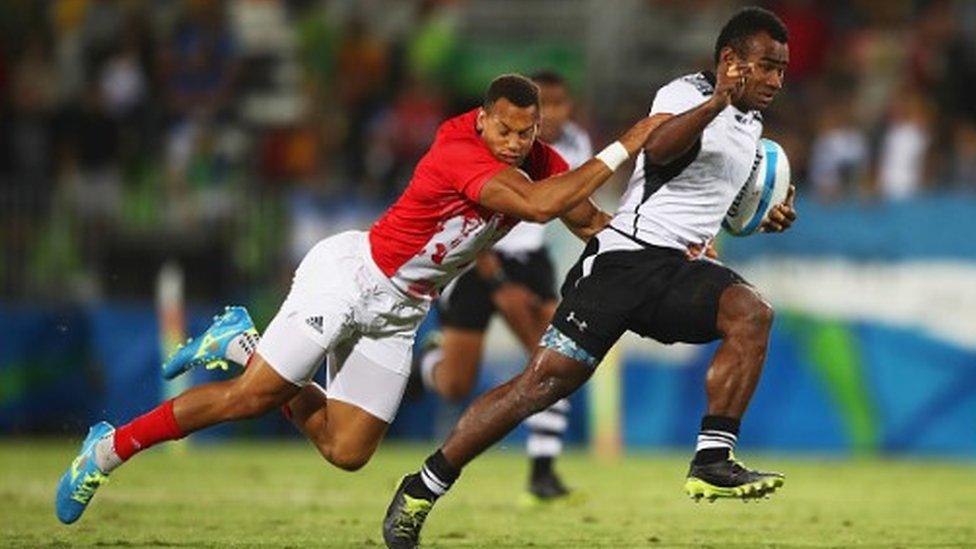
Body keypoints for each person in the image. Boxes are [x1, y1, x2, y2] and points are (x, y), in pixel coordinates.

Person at [55, 73, 661, 525]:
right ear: (481, 118)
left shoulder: (534, 156)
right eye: (503, 129)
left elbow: (584, 217)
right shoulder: (457, 151)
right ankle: (107, 449)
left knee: (347, 452)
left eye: (525, 133)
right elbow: (537, 205)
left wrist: (665, 248)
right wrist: (627, 143)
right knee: (252, 399)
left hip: (401, 311)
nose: (513, 142)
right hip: (350, 278)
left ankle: (243, 346)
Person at [382, 7, 797, 548]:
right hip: (621, 263)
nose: (775, 80)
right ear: (729, 61)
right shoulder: (686, 92)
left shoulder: (751, 126)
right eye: (765, 66)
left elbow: (709, 202)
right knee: (538, 387)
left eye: (782, 70)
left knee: (752, 313)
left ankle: (713, 459)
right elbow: (660, 149)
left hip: (676, 270)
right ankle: (422, 487)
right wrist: (716, 99)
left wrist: (762, 218)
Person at [417, 70, 592, 503]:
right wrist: (495, 279)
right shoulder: (485, 144)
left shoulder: (575, 146)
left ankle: (542, 471)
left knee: (556, 357)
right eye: (542, 105)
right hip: (477, 257)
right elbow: (466, 219)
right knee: (455, 384)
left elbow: (577, 211)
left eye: (557, 105)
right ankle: (428, 362)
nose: (550, 114)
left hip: (531, 261)